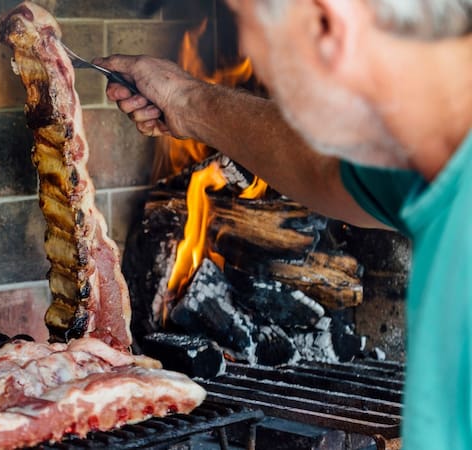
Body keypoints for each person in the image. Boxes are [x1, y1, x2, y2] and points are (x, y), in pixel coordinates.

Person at [94, 0, 472, 448]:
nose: (250, 52)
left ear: (328, 20)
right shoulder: (436, 155)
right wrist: (186, 101)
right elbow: (325, 170)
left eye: (251, 29)